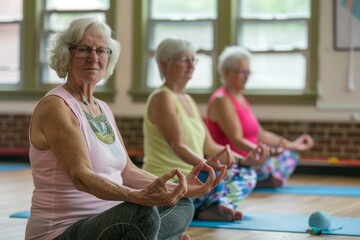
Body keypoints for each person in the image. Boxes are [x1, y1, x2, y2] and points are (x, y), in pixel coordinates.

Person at [25, 18, 225, 240]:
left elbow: (127, 171)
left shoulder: (102, 108)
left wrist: (182, 187)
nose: (94, 57)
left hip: (111, 221)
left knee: (182, 204)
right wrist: (138, 197)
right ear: (66, 53)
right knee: (142, 212)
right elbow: (80, 176)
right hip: (62, 230)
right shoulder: (56, 106)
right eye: (84, 49)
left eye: (102, 50)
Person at [142, 38, 269, 222]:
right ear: (164, 64)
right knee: (212, 175)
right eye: (185, 60)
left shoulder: (189, 100)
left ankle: (207, 208)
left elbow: (210, 146)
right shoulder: (162, 98)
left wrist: (243, 161)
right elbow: (179, 146)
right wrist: (207, 166)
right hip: (171, 181)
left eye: (194, 60)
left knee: (246, 174)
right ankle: (207, 206)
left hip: (194, 178)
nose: (191, 65)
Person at [205, 46, 315, 188]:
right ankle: (257, 178)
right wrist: (266, 153)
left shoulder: (241, 98)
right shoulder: (222, 100)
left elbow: (261, 134)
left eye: (248, 72)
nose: (246, 76)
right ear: (226, 72)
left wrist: (291, 144)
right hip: (236, 160)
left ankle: (262, 178)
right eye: (241, 72)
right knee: (271, 161)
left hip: (255, 155)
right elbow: (237, 140)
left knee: (291, 155)